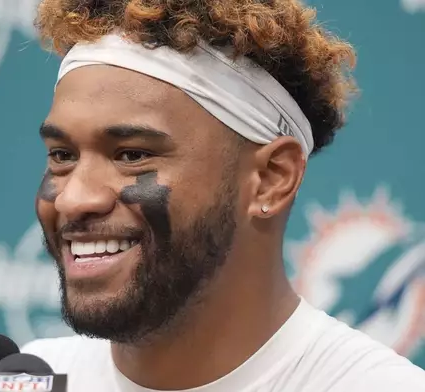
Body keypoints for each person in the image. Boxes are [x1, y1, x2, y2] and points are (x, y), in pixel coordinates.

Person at [23, 0, 425, 391]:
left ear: (272, 177)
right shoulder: (28, 378)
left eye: (133, 155)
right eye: (62, 156)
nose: (73, 199)